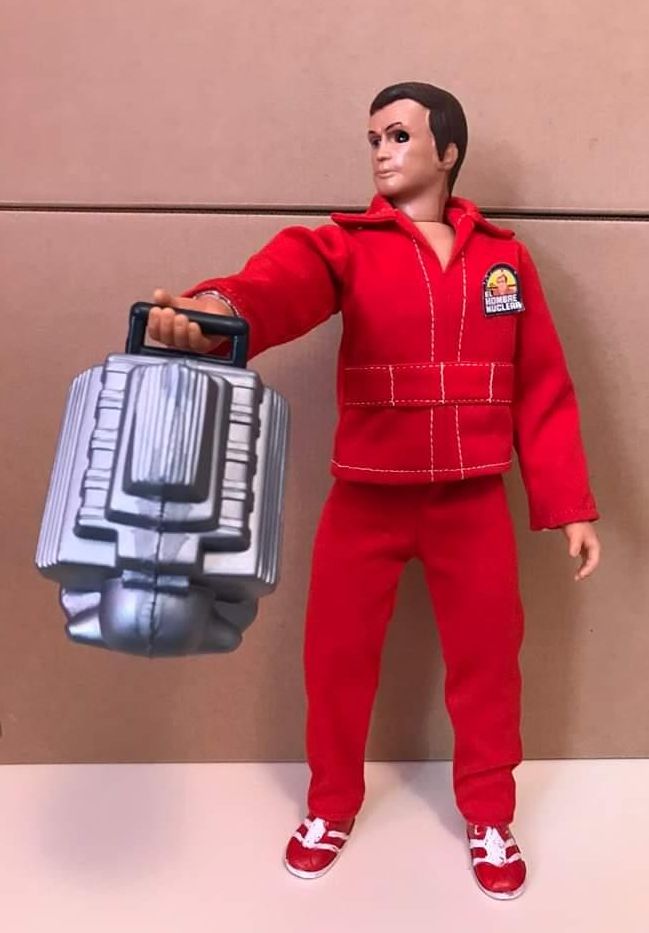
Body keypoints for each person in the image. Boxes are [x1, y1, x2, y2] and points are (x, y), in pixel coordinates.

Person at [147, 82, 601, 900]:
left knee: (488, 663)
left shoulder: (503, 260)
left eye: (398, 135)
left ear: (447, 151)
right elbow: (279, 284)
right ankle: (330, 804)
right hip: (367, 495)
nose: (382, 152)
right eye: (373, 139)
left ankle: (488, 813)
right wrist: (214, 310)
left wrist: (567, 503)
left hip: (471, 500)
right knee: (336, 658)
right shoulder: (346, 246)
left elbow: (540, 383)